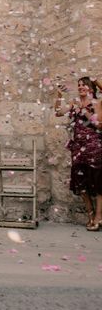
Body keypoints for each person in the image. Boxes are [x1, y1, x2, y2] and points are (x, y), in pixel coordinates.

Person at [55, 76, 102, 231]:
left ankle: (98, 217)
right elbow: (58, 113)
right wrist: (59, 96)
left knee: (97, 183)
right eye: (79, 85)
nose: (81, 87)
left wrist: (86, 113)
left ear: (91, 88)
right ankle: (90, 213)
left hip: (94, 146)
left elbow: (99, 125)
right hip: (78, 147)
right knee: (80, 183)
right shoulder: (74, 103)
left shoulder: (96, 103)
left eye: (84, 85)